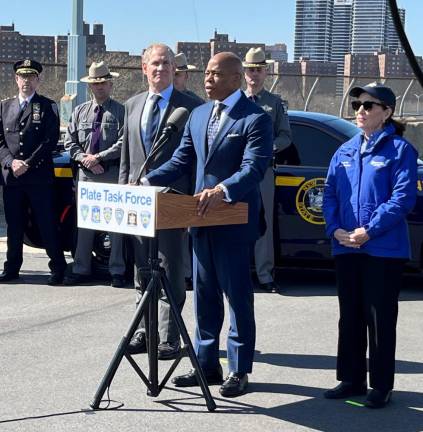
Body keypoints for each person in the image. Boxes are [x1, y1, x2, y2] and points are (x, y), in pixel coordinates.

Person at [144, 52, 273, 397]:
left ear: (235, 78)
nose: (208, 79)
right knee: (204, 296)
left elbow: (254, 168)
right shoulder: (198, 114)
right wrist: (146, 181)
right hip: (198, 219)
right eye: (207, 73)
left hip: (233, 220)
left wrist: (223, 189)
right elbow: (182, 159)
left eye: (216, 74)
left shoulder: (255, 118)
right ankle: (206, 365)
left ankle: (239, 369)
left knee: (237, 296)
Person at [322, 83, 418, 409]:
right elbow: (331, 193)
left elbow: (402, 199)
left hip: (382, 249)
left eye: (369, 105)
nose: (360, 110)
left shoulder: (400, 151)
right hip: (346, 247)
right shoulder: (344, 150)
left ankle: (380, 385)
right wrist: (335, 229)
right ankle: (350, 379)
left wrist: (369, 230)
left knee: (378, 318)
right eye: (357, 105)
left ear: (387, 112)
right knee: (349, 316)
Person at [118, 44, 201, 360]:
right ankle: (144, 331)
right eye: (155, 63)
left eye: (167, 63)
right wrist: (125, 189)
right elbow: (128, 155)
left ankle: (168, 336)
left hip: (173, 202)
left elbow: (195, 159)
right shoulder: (132, 105)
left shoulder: (191, 107)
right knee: (141, 269)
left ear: (174, 69)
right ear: (143, 67)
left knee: (170, 269)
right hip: (138, 202)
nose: (161, 68)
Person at [0, 59, 67, 285]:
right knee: (14, 225)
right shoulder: (4, 106)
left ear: (38, 79)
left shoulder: (48, 106)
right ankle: (12, 268)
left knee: (46, 222)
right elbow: (1, 141)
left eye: (31, 76)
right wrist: (11, 162)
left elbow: (49, 141)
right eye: (22, 76)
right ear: (16, 79)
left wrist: (27, 163)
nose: (26, 81)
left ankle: (58, 268)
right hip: (13, 178)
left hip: (38, 177)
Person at [63, 61, 126, 288]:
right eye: (95, 83)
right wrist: (85, 159)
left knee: (116, 226)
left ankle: (117, 270)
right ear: (90, 86)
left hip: (110, 174)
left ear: (110, 84)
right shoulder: (80, 111)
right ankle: (81, 268)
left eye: (103, 83)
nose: (99, 87)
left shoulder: (121, 111)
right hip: (87, 176)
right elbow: (69, 141)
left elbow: (123, 142)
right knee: (85, 225)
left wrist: (99, 157)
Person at [243, 47, 292, 293]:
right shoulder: (236, 102)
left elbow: (286, 136)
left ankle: (265, 275)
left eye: (259, 70)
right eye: (250, 70)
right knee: (236, 223)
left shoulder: (274, 103)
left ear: (266, 73)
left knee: (264, 226)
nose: (254, 74)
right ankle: (238, 274)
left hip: (263, 172)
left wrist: (268, 149)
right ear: (244, 73)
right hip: (237, 174)